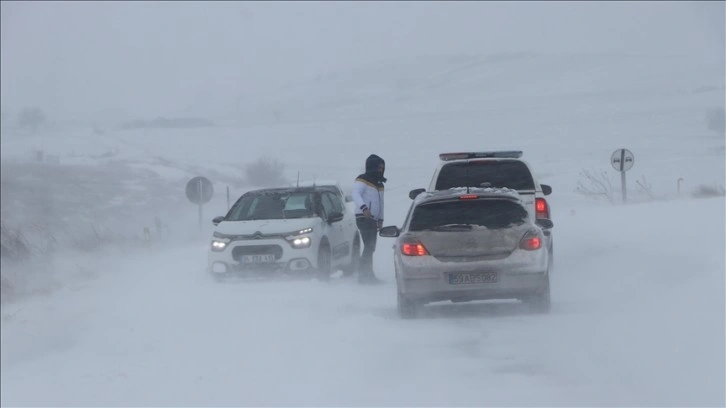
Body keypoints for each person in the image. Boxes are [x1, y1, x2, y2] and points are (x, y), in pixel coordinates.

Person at [352, 154, 386, 284]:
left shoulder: (380, 184)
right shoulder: (362, 180)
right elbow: (356, 194)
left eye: (382, 168)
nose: (381, 170)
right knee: (368, 246)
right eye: (379, 167)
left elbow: (381, 203)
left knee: (371, 247)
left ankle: (368, 275)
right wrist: (364, 208)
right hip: (363, 217)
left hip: (373, 219)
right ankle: (363, 275)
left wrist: (381, 219)